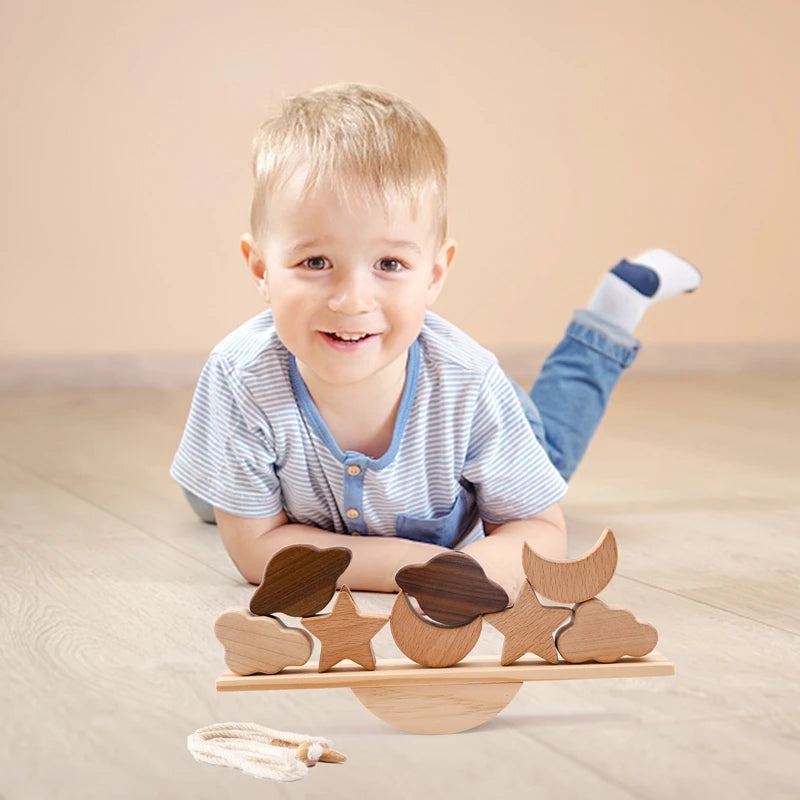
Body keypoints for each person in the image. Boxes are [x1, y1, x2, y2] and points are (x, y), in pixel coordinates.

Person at [170, 83, 700, 599]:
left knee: (550, 454)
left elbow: (538, 529)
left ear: (435, 273)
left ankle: (614, 310)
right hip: (289, 445)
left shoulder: (470, 384)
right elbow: (256, 554)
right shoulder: (239, 375)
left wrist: (475, 574)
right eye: (315, 262)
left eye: (390, 264)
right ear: (261, 269)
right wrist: (421, 566)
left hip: (458, 421)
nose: (352, 300)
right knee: (215, 491)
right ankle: (221, 487)